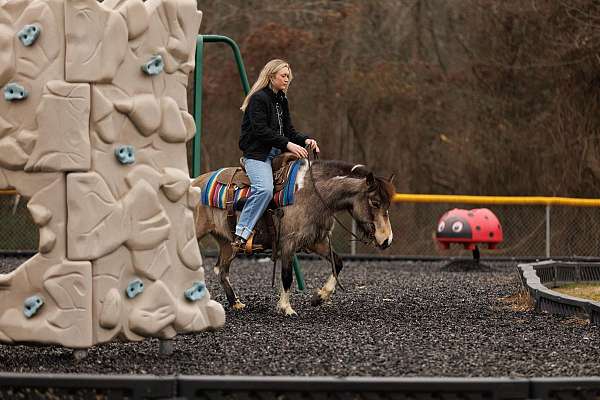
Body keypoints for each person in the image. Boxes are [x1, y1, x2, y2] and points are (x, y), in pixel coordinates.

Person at [233, 59, 320, 249]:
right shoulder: (259, 98)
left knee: (301, 187)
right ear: (271, 76)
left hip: (277, 155)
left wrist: (305, 140)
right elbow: (260, 130)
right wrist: (288, 144)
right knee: (264, 189)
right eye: (283, 76)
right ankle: (241, 234)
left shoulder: (282, 100)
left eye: (289, 76)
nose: (287, 80)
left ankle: (296, 232)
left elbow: (288, 130)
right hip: (258, 155)